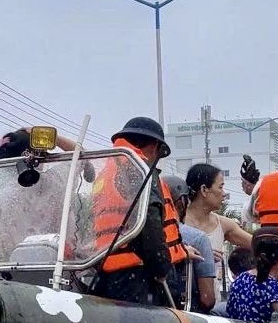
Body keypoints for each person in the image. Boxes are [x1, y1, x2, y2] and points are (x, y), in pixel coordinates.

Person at [91, 117, 187, 305]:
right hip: (138, 277)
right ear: (154, 146)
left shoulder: (108, 172)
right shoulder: (140, 170)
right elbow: (149, 221)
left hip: (111, 272)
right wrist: (161, 268)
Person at [183, 163, 254, 305]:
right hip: (183, 304)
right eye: (220, 187)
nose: (224, 193)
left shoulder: (224, 224)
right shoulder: (174, 224)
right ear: (204, 190)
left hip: (211, 303)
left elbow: (262, 245)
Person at [163, 174, 217, 312]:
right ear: (181, 202)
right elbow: (207, 300)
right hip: (188, 319)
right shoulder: (198, 239)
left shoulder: (142, 235)